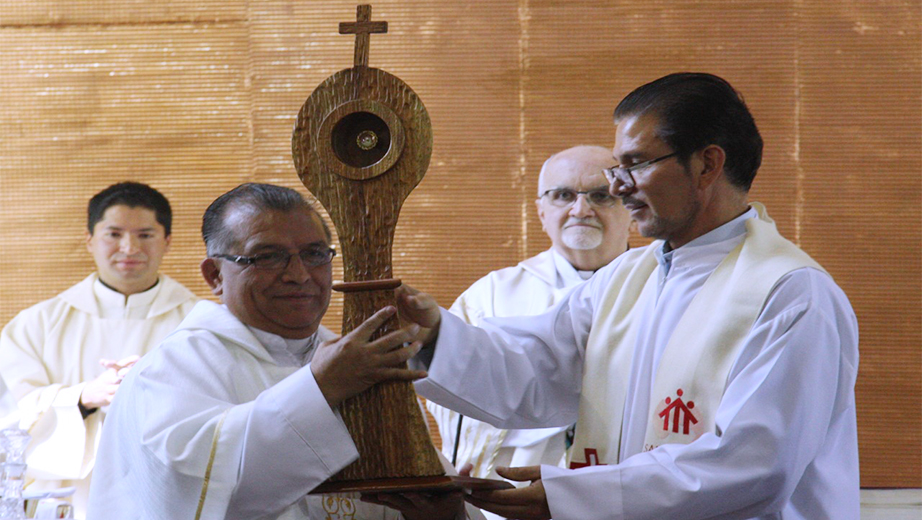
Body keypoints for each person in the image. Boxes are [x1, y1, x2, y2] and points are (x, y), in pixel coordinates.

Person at [402, 73, 859, 519]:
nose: (619, 185)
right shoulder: (625, 277)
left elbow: (752, 464)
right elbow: (535, 369)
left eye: (636, 164)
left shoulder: (790, 293)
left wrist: (576, 498)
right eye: (617, 167)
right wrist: (433, 338)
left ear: (707, 165)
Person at [87, 183, 483, 520]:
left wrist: (443, 513)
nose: (299, 275)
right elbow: (192, 491)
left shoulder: (356, 357)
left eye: (314, 254)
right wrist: (321, 387)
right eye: (268, 256)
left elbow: (412, 479)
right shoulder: (175, 369)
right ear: (215, 276)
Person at [426, 146, 631, 510]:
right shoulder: (491, 295)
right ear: (541, 212)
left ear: (630, 207)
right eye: (563, 195)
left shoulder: (657, 287)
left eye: (601, 196)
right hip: (508, 500)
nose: (581, 210)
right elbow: (451, 392)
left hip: (619, 499)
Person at [0, 182, 197, 517]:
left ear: (167, 242)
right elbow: (10, 417)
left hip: (168, 497)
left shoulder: (199, 324)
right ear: (90, 239)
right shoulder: (35, 325)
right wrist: (83, 397)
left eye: (145, 235)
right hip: (73, 502)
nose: (130, 247)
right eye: (114, 234)